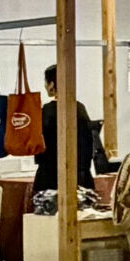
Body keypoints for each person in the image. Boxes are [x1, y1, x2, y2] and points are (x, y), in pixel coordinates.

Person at [34, 64, 96, 208]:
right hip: (81, 176)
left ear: (52, 84)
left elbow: (40, 145)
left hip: (50, 177)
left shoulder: (47, 111)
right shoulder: (80, 108)